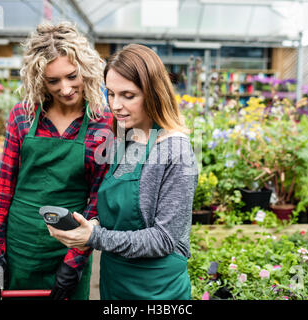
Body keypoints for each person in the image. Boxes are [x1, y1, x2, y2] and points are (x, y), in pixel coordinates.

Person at [48, 44, 198, 300]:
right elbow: (115, 212)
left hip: (157, 289)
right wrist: (89, 224)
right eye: (111, 93)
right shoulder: (126, 139)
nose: (115, 105)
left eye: (128, 95)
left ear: (153, 94)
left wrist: (95, 236)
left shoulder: (176, 151)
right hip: (115, 282)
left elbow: (164, 239)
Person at [0, 22, 112, 300]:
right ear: (40, 80)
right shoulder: (23, 116)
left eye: (71, 76)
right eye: (54, 81)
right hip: (21, 243)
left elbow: (96, 200)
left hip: (69, 243)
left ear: (85, 70)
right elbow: (4, 188)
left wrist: (75, 261)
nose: (65, 89)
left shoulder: (103, 125)